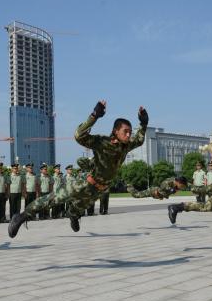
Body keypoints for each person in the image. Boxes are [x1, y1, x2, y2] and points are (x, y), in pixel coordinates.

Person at [8, 100, 148, 236]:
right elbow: (79, 136)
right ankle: (21, 217)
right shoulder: (103, 142)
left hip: (99, 189)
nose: (129, 135)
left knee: (80, 207)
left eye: (130, 132)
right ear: (116, 131)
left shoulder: (126, 146)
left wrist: (143, 122)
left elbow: (140, 140)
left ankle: (73, 216)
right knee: (54, 199)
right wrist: (94, 116)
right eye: (126, 131)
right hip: (85, 183)